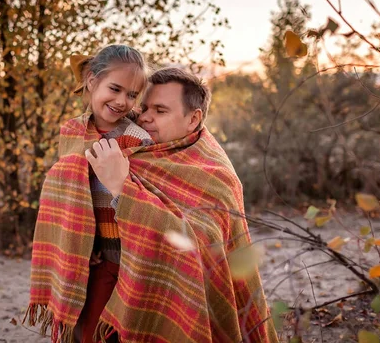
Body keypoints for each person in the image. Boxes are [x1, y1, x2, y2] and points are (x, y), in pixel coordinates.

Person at [86, 67, 279, 342]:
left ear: (193, 119)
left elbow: (194, 243)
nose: (145, 117)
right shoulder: (133, 151)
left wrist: (121, 188)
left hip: (177, 295)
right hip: (115, 286)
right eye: (145, 108)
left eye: (160, 111)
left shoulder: (215, 175)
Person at [25, 44, 153, 343]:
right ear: (92, 81)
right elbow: (68, 194)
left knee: (111, 331)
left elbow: (143, 198)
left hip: (126, 257)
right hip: (86, 255)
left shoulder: (138, 139)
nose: (123, 101)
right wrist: (80, 243)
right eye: (115, 88)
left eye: (132, 95)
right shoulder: (71, 132)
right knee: (81, 329)